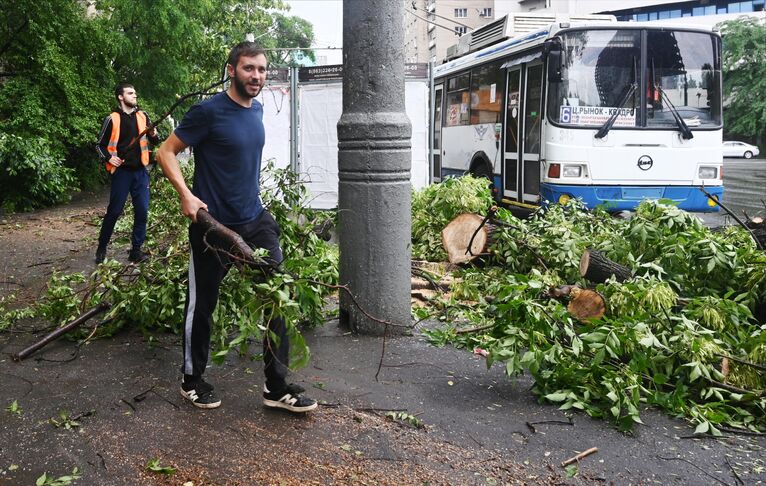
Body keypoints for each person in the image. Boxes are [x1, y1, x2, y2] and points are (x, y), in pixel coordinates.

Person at [155, 42, 317, 413]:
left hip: (255, 220)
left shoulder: (257, 109)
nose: (256, 76)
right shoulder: (208, 112)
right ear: (231, 70)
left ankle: (276, 387)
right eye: (249, 69)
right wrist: (186, 195)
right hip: (212, 225)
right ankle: (191, 379)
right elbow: (166, 152)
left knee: (278, 294)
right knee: (203, 304)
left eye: (261, 69)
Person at [95, 83, 160, 264]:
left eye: (135, 93)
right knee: (114, 212)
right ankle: (102, 246)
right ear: (120, 97)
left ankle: (136, 250)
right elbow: (99, 145)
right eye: (130, 93)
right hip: (122, 173)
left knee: (142, 212)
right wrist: (108, 158)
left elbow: (155, 140)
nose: (135, 96)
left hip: (141, 172)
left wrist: (154, 134)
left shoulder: (143, 116)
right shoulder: (112, 119)